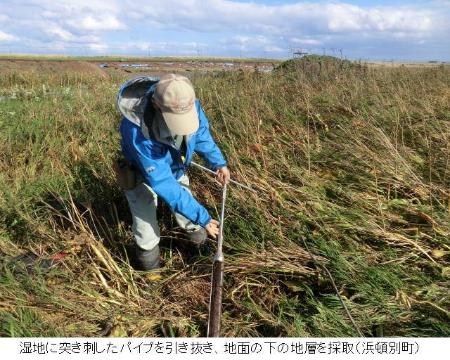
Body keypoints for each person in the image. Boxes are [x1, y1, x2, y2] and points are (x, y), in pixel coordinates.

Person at [116, 74, 230, 270]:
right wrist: (202, 216)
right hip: (141, 175)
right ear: (157, 105)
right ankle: (151, 275)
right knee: (146, 230)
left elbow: (200, 133)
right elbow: (162, 182)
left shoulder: (189, 103)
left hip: (176, 167)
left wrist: (218, 162)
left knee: (190, 217)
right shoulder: (137, 130)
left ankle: (198, 255)